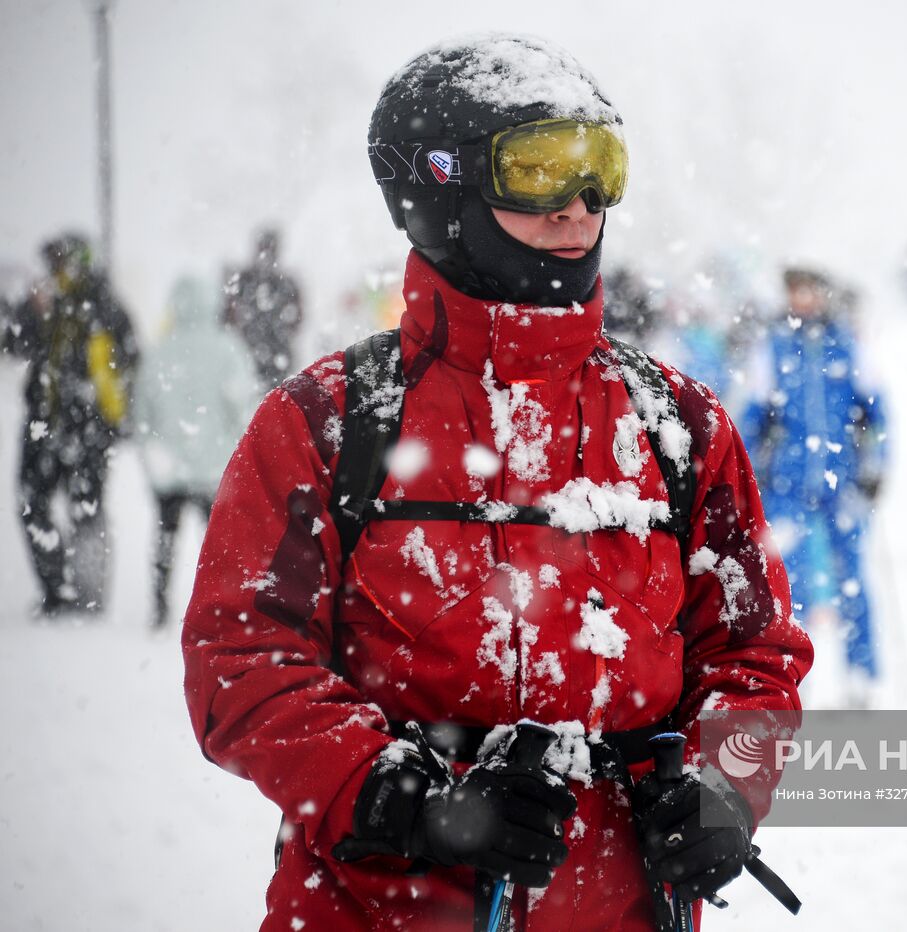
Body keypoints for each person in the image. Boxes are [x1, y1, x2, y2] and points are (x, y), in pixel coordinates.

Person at [181, 35, 810, 931]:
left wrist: (727, 787)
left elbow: (756, 652)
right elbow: (238, 660)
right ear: (440, 188)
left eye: (602, 167)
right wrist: (404, 799)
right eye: (542, 166)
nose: (581, 203)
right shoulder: (332, 422)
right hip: (379, 908)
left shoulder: (677, 424)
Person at [741, 268, 885, 707]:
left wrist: (876, 463)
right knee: (789, 582)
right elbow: (750, 416)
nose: (803, 300)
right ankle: (789, 678)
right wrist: (749, 470)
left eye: (809, 292)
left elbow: (877, 411)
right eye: (795, 292)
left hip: (841, 482)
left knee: (852, 579)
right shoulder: (774, 348)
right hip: (787, 483)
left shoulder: (846, 344)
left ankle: (861, 674)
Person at [0, 233, 139, 616]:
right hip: (70, 425)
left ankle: (70, 593)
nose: (54, 269)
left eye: (58, 261)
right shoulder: (94, 303)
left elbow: (13, 343)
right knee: (73, 508)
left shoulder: (92, 304)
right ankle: (73, 593)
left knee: (52, 505)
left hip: (66, 424)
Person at [131, 275, 259, 628]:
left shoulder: (159, 351)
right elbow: (242, 407)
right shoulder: (227, 348)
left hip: (169, 468)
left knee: (165, 536)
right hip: (214, 468)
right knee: (219, 544)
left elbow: (141, 411)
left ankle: (159, 606)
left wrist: (152, 455)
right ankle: (223, 607)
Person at [225, 226, 304, 389]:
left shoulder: (242, 280)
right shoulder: (286, 283)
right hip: (272, 357)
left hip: (251, 356)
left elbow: (228, 317)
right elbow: (298, 319)